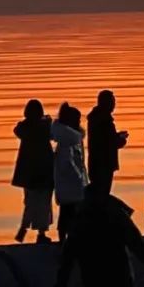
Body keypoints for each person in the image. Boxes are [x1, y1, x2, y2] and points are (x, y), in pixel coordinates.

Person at [12, 99, 55, 244]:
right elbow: (53, 134)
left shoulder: (24, 128)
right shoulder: (44, 127)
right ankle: (41, 233)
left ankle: (24, 226)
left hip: (28, 172)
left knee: (30, 201)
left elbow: (17, 130)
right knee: (44, 203)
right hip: (44, 170)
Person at [50, 103, 87, 240]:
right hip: (70, 183)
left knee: (68, 212)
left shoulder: (71, 139)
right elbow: (68, 163)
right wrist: (79, 177)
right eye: (77, 119)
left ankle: (66, 238)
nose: (79, 122)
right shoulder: (68, 141)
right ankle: (65, 239)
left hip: (69, 183)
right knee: (69, 212)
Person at [87, 89, 128, 197]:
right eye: (112, 101)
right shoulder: (104, 121)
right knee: (102, 195)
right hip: (103, 165)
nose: (114, 104)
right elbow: (108, 143)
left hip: (97, 164)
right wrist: (121, 140)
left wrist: (117, 136)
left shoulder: (96, 118)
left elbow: (106, 139)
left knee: (99, 194)